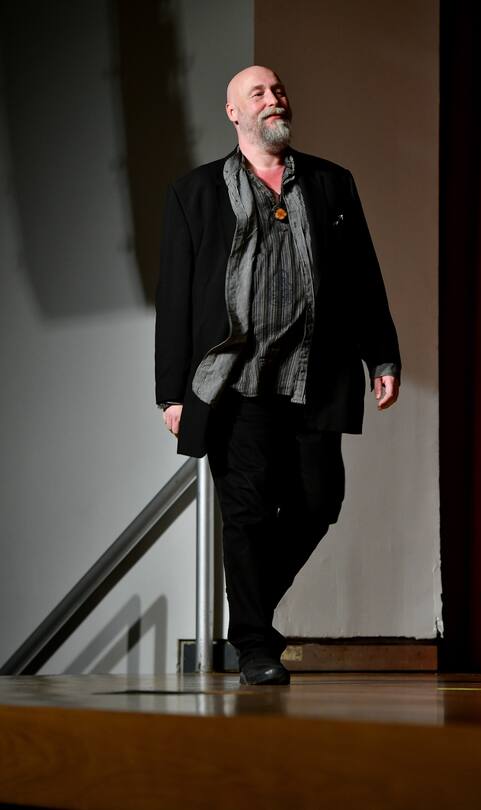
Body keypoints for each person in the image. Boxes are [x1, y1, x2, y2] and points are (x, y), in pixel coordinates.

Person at [155, 65, 401, 686]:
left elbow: (362, 277)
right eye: (258, 94)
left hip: (313, 373)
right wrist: (171, 391)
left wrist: (382, 356)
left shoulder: (329, 183)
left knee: (320, 501)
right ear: (234, 113)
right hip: (235, 383)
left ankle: (251, 612)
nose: (274, 100)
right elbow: (177, 298)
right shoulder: (196, 192)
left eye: (278, 90)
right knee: (246, 513)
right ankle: (257, 647)